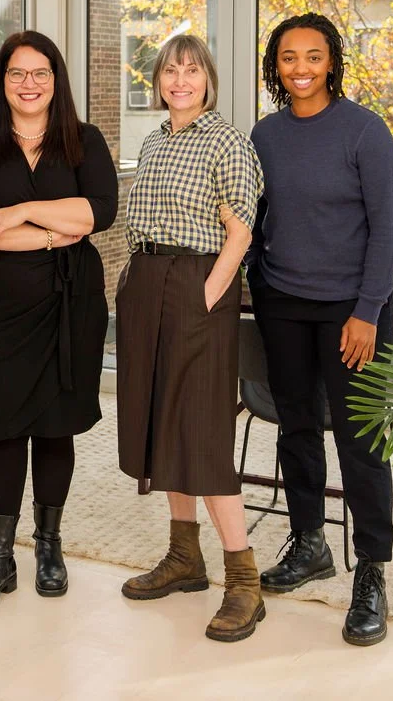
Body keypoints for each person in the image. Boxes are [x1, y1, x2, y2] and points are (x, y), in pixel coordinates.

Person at [247, 12, 393, 647]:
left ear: (333, 61)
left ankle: (371, 570)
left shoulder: (365, 132)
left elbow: (387, 228)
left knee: (361, 443)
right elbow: (255, 219)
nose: (301, 68)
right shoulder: (264, 134)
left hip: (352, 309)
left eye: (313, 56)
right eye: (289, 57)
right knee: (297, 428)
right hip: (282, 303)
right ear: (276, 66)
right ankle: (309, 542)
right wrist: (255, 284)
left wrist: (367, 311)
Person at [0, 30, 117, 615]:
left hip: (71, 308)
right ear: (2, 81)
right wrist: (55, 231)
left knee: (55, 427)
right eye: (17, 73)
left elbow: (99, 211)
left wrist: (20, 212)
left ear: (56, 79)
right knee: (3, 431)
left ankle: (49, 545)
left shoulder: (83, 140)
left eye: (40, 72)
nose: (29, 83)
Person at [116, 33, 265, 642]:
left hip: (198, 284)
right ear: (158, 81)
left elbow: (241, 230)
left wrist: (209, 292)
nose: (180, 80)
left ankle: (245, 582)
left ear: (209, 79)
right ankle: (185, 558)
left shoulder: (227, 141)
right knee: (161, 422)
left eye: (191, 70)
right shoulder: (153, 140)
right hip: (147, 282)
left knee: (202, 431)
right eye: (170, 71)